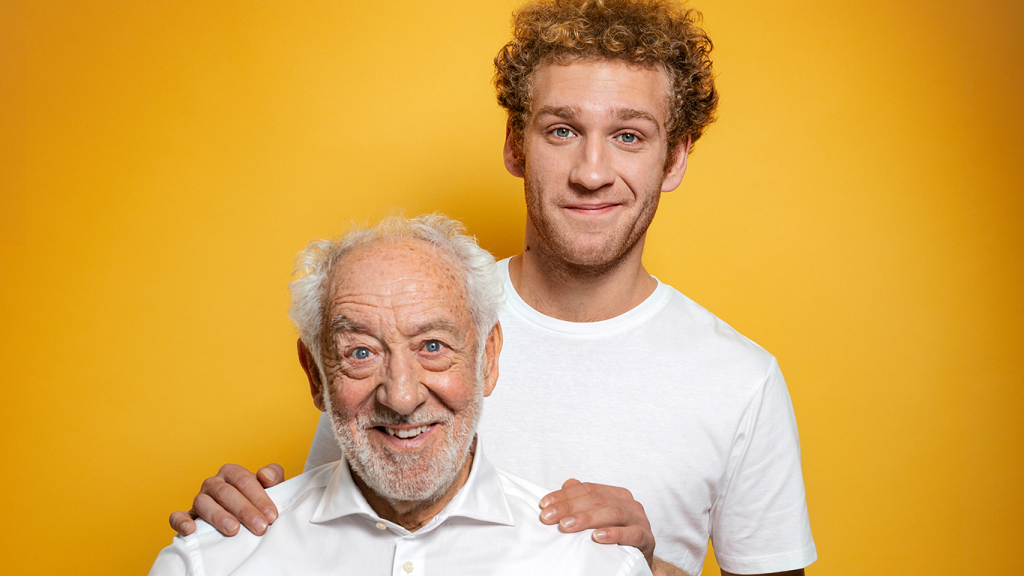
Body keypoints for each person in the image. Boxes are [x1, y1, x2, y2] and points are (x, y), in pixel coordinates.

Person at [170, 1, 817, 575]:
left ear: (674, 157)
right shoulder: (411, 327)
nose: (592, 172)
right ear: (515, 144)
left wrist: (644, 567)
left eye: (628, 136)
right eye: (561, 130)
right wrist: (242, 526)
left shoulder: (740, 380)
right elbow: (330, 535)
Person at [150, 215, 652, 576]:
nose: (402, 396)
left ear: (488, 360)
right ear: (315, 374)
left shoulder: (595, 564)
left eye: (433, 346)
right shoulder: (211, 562)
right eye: (362, 353)